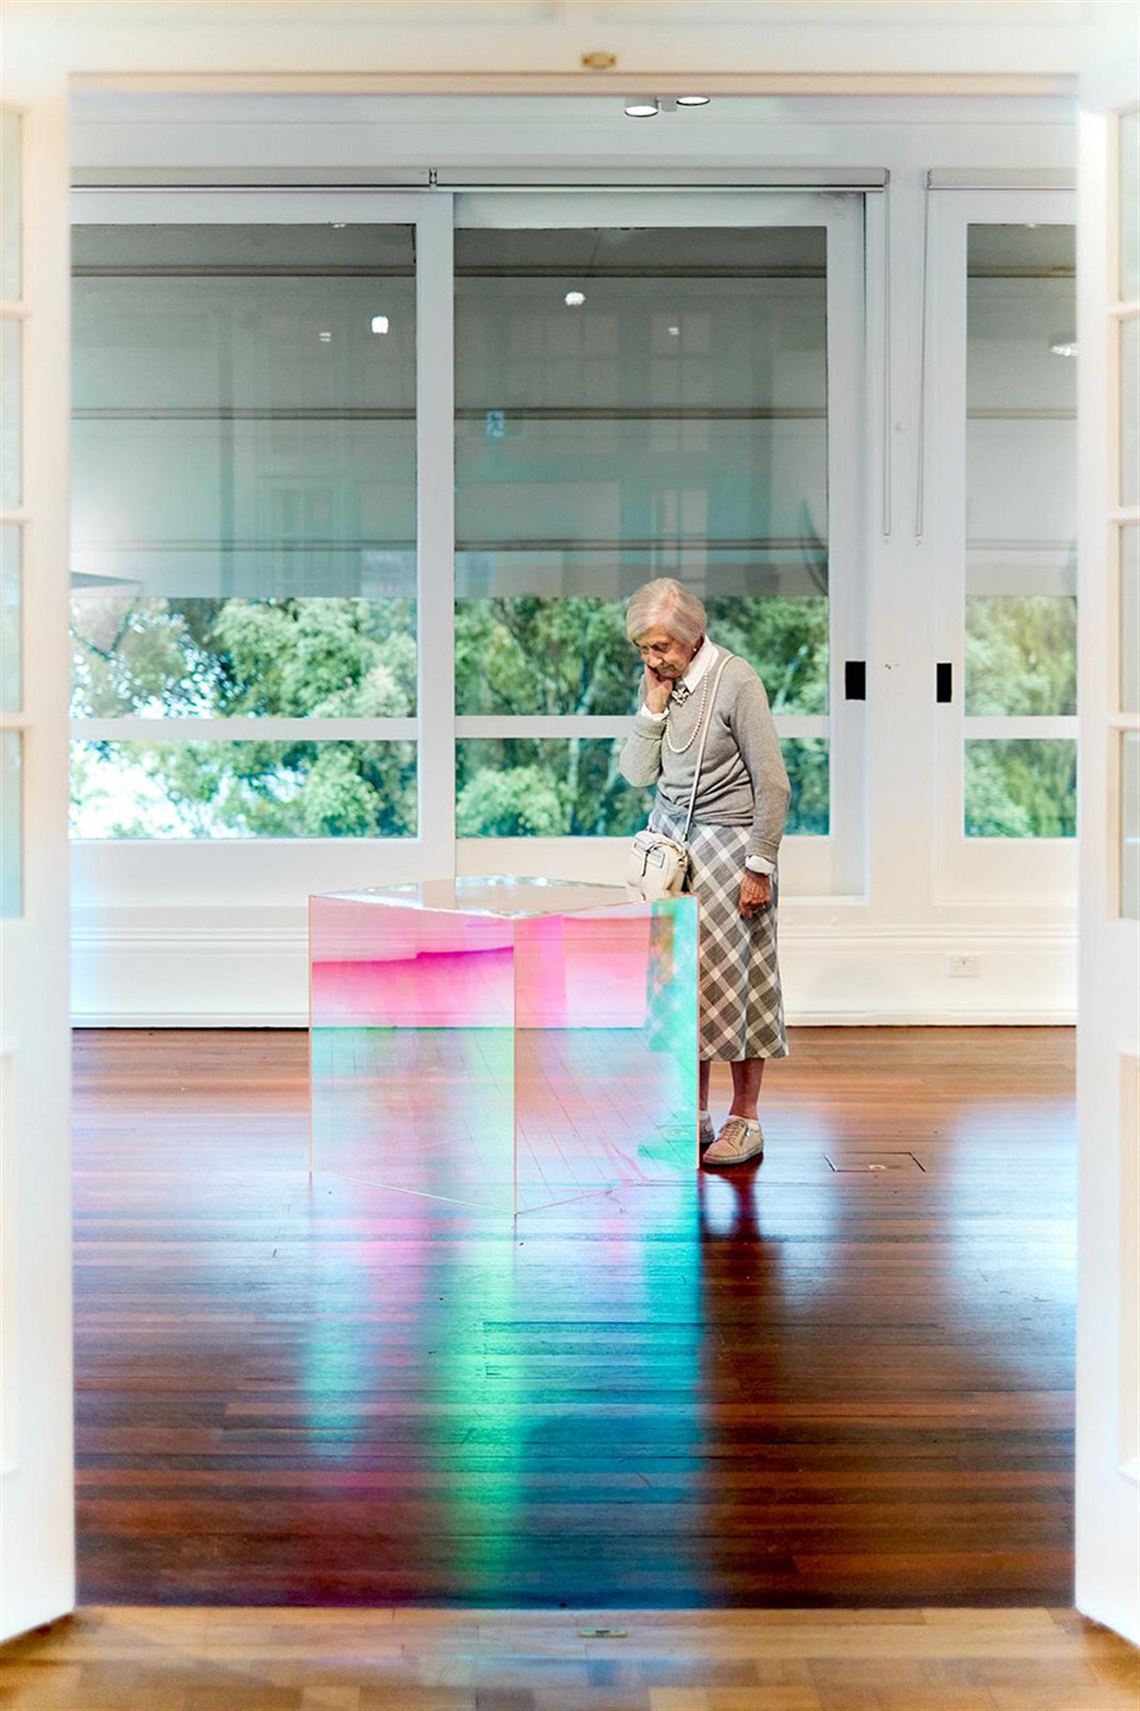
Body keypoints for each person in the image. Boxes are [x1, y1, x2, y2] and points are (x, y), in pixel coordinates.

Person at [620, 578, 790, 1167]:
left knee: (736, 988)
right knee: (680, 990)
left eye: (662, 647)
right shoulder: (663, 686)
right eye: (643, 647)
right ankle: (691, 1115)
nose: (652, 658)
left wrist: (759, 866)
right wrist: (652, 705)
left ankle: (746, 1120)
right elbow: (638, 773)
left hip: (729, 849)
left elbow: (773, 782)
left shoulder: (736, 680)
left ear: (693, 637)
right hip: (672, 851)